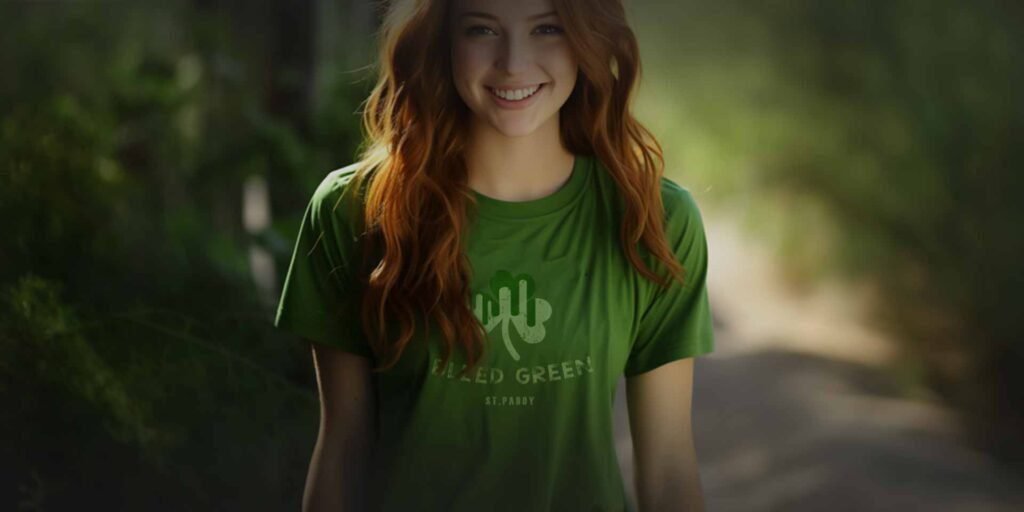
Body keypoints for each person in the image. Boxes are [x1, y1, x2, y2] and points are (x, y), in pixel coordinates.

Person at [273, 0, 715, 510]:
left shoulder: (652, 219)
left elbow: (667, 468)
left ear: (587, 38)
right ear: (442, 40)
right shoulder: (355, 210)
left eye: (547, 28)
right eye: (482, 29)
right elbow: (343, 450)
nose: (513, 62)